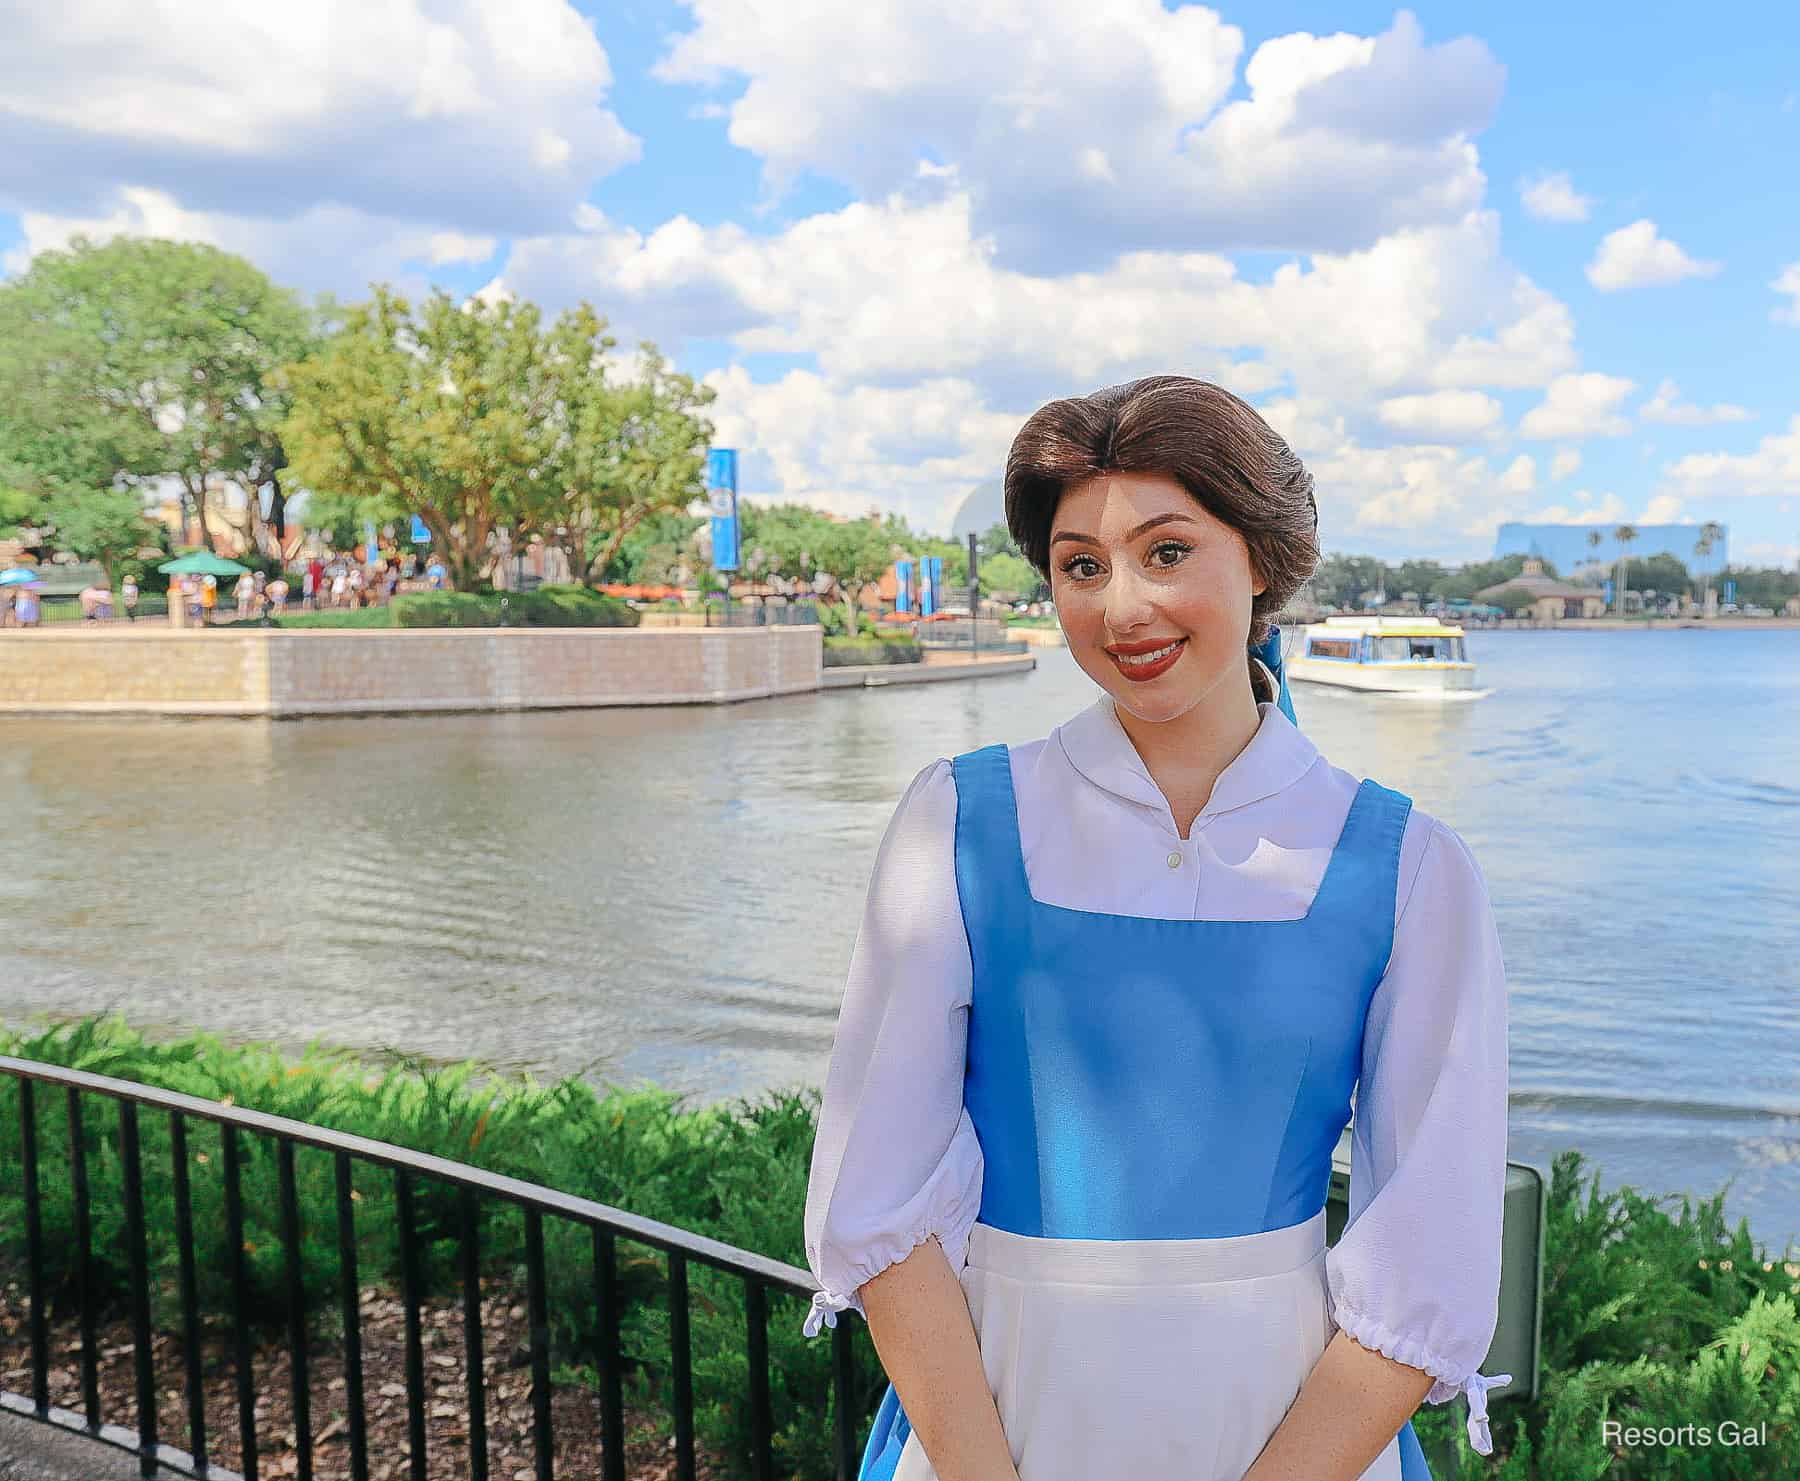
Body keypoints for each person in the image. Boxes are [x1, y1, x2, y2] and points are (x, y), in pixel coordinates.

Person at [802, 378, 1510, 1481]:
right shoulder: (956, 823)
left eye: (1167, 550)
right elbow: (877, 1204)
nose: (1122, 606)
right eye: (1082, 564)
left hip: (1293, 1433)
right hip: (990, 1429)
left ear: (1263, 556)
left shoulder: (1411, 869)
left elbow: (1430, 1255)